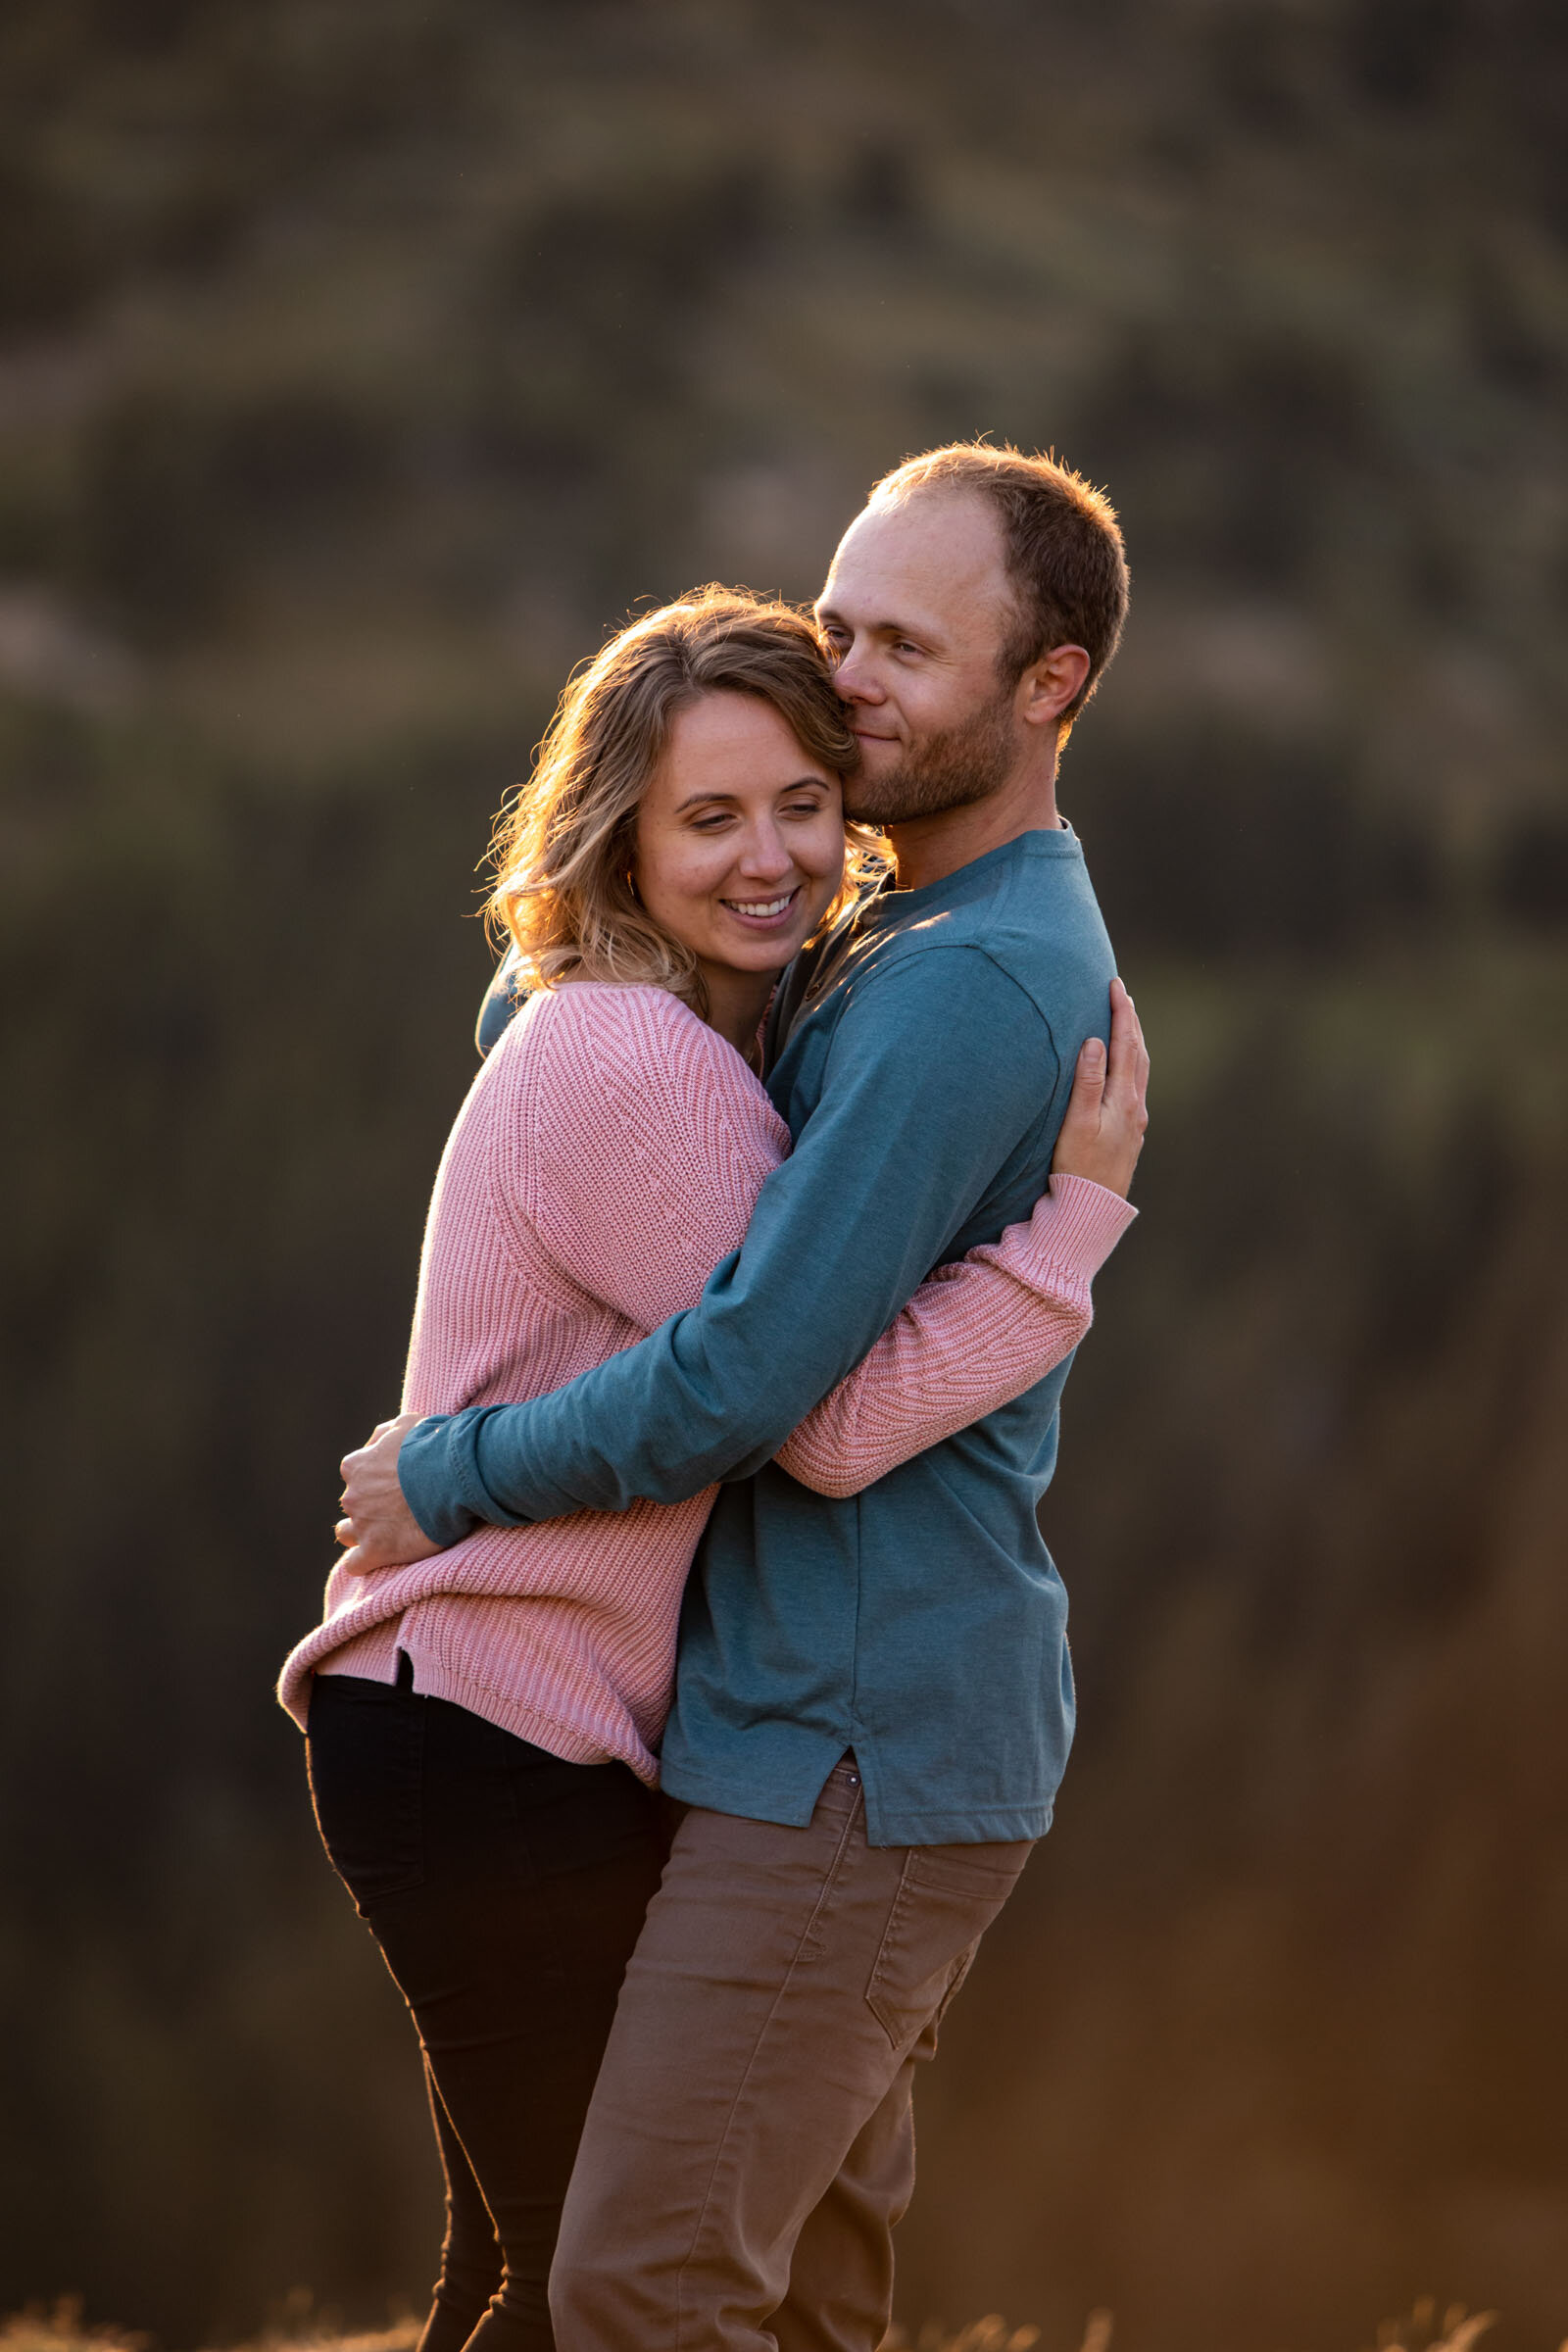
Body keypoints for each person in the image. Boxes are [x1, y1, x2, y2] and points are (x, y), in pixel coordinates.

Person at [289, 579, 1148, 2352]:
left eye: (803, 808)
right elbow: (807, 1416)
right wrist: (1067, 1238)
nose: (771, 859)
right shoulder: (634, 1063)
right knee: (598, 2275)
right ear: (619, 839)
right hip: (489, 1734)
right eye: (707, 820)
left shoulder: (642, 1027)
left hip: (489, 1716)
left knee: (526, 2273)